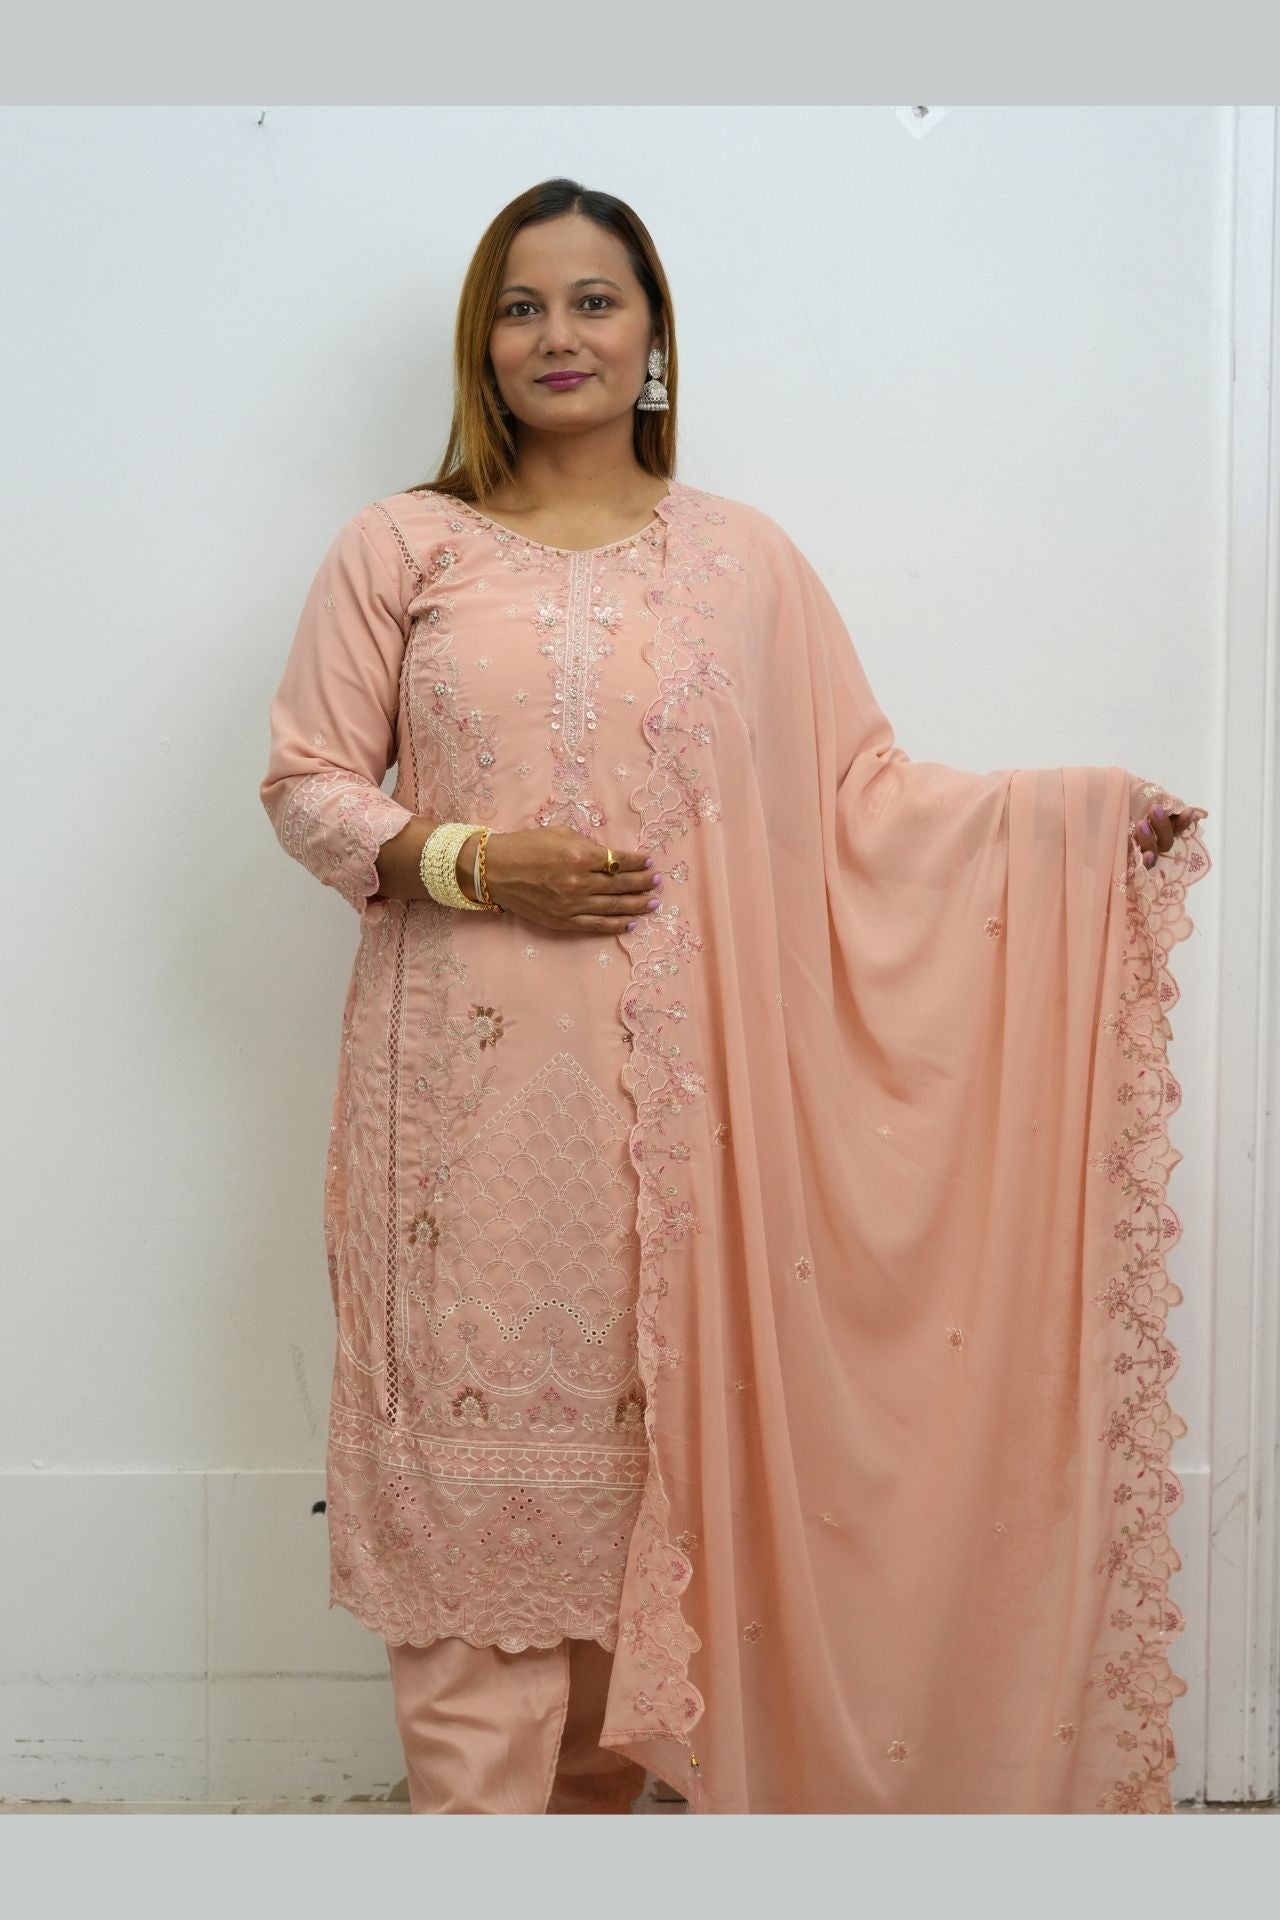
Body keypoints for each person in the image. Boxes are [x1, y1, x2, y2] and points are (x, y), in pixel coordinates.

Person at [259, 176, 1211, 1815]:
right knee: (471, 1564)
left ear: (652, 335)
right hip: (456, 1138)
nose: (558, 334)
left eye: (594, 300)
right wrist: (472, 859)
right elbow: (305, 785)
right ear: (482, 345)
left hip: (676, 1139)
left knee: (647, 1549)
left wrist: (1073, 824)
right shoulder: (402, 546)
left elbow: (861, 800)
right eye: (520, 306)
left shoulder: (741, 562)